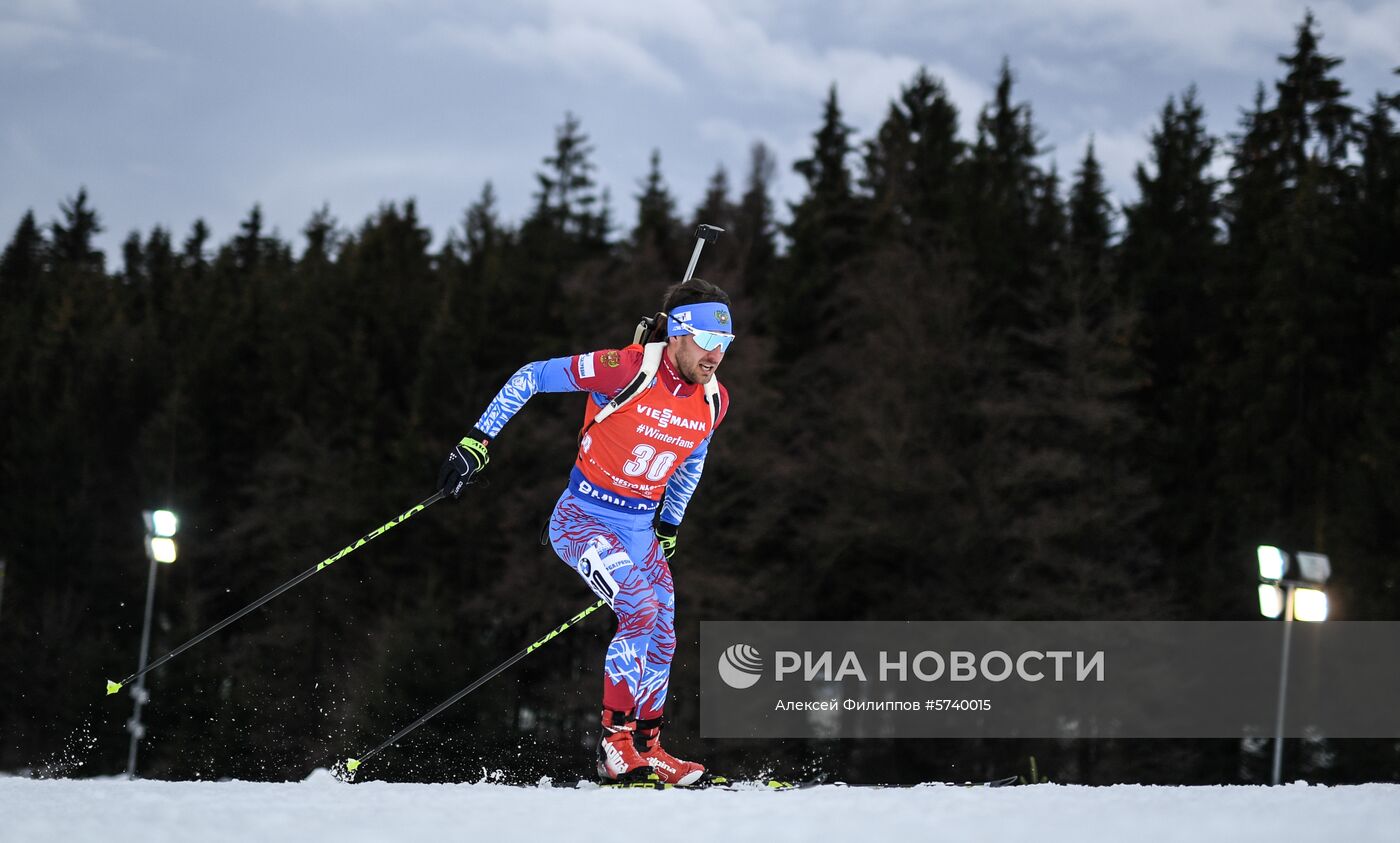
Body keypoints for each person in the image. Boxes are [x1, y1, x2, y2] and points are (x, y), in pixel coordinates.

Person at [437, 278, 734, 785]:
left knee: (662, 631)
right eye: (707, 340)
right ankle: (614, 745)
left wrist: (668, 524)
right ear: (679, 333)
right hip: (583, 519)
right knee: (638, 609)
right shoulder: (624, 369)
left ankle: (649, 745)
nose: (716, 355)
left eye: (725, 344)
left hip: (641, 529)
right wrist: (476, 440)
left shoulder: (713, 400)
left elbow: (693, 460)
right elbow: (532, 376)